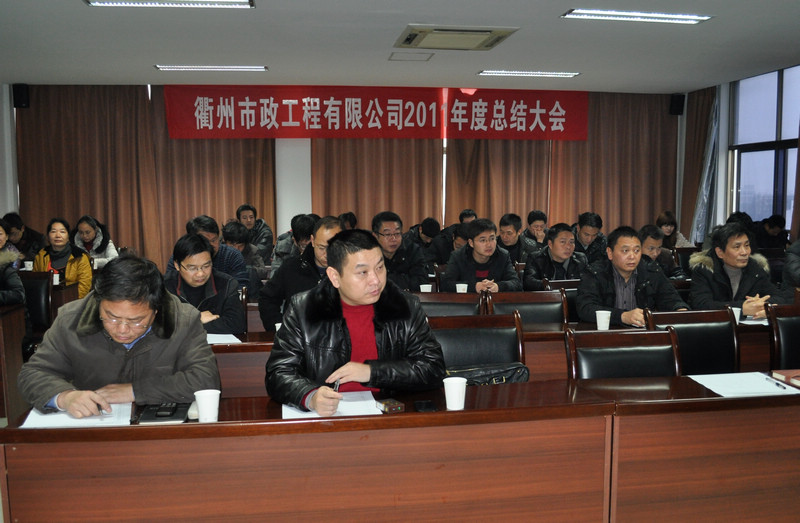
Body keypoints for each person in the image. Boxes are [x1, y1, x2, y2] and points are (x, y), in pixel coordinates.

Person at [266, 229, 444, 415]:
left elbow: (433, 368)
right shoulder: (303, 309)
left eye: (380, 267)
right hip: (328, 418)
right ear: (335, 277)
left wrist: (371, 372)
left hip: (389, 416)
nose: (375, 280)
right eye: (363, 272)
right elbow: (278, 373)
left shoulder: (405, 306)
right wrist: (310, 396)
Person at [18, 255, 220, 417]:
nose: (122, 329)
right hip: (91, 428)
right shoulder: (70, 320)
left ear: (156, 310)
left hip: (159, 430)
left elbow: (206, 379)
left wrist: (135, 391)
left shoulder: (183, 321)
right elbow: (33, 373)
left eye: (136, 320)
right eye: (111, 317)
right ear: (99, 302)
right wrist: (65, 397)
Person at [577, 226, 688, 327]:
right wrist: (622, 316)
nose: (632, 256)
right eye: (625, 251)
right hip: (606, 335)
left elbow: (671, 298)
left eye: (636, 250)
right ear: (610, 253)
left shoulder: (651, 270)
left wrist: (680, 310)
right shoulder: (595, 273)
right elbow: (585, 308)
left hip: (643, 335)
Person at [689, 221, 792, 318]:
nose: (744, 252)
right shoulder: (704, 269)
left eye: (747, 245)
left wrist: (764, 306)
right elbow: (701, 305)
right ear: (720, 252)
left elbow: (780, 297)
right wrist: (742, 308)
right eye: (737, 247)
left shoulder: (755, 268)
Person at [259, 216, 342, 331]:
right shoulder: (291, 267)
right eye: (322, 248)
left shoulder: (350, 272)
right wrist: (279, 328)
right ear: (312, 241)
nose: (327, 254)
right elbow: (267, 298)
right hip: (298, 337)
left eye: (334, 247)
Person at [165, 234, 245, 334]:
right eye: (192, 268)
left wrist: (187, 325)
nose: (200, 274)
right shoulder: (165, 286)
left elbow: (237, 324)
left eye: (206, 266)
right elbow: (158, 324)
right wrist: (195, 319)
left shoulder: (227, 284)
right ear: (177, 265)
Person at [165, 215, 249, 289]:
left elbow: (241, 288)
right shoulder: (181, 257)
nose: (211, 245)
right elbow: (169, 287)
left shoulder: (232, 255)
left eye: (214, 240)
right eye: (205, 240)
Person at [440, 218, 522, 293]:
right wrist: (474, 287)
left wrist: (498, 286)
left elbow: (517, 283)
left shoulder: (503, 255)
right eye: (483, 240)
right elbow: (446, 284)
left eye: (492, 239)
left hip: (495, 302)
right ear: (471, 243)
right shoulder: (458, 256)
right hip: (466, 303)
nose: (489, 245)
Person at [34, 218, 93, 298]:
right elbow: (36, 282)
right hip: (45, 300)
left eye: (62, 232)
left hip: (73, 301)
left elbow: (84, 286)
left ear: (68, 236)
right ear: (48, 236)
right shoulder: (41, 255)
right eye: (53, 231)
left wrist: (68, 301)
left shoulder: (80, 256)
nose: (58, 236)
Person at [371, 211, 428, 292]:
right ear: (375, 236)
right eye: (388, 234)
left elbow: (422, 281)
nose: (393, 239)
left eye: (397, 233)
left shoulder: (413, 250)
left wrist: (386, 279)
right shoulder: (367, 254)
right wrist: (403, 279)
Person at [523, 222, 588, 291]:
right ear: (550, 244)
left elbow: (588, 283)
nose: (568, 247)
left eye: (571, 242)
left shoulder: (580, 259)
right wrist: (549, 286)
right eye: (563, 242)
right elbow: (528, 283)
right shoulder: (536, 258)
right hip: (547, 297)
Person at [222, 220, 269, 295]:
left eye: (240, 246)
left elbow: (263, 272)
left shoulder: (252, 250)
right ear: (224, 241)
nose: (236, 249)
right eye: (232, 245)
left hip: (248, 288)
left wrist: (243, 269)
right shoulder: (218, 250)